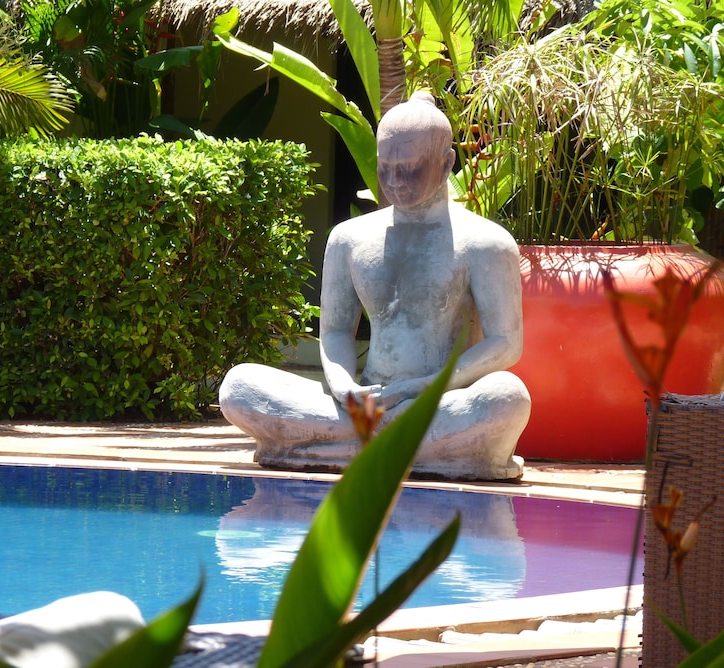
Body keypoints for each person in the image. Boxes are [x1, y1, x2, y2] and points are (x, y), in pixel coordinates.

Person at [218, 92, 531, 481]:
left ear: (447, 162)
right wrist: (344, 388)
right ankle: (407, 446)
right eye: (386, 167)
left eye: (410, 168)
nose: (395, 181)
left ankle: (340, 444)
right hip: (363, 406)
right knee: (239, 387)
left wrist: (416, 388)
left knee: (507, 398)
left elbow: (505, 343)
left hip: (435, 403)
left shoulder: (485, 243)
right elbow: (335, 331)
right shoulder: (349, 238)